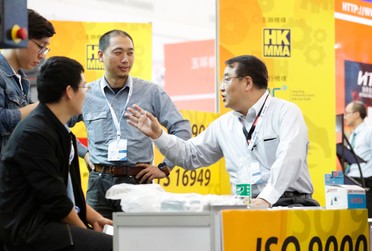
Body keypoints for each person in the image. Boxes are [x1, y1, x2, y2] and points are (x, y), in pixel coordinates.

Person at [126, 55, 319, 208]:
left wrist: (266, 200)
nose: (221, 87)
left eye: (227, 79)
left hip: (289, 204)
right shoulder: (224, 125)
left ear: (248, 83)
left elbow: (290, 159)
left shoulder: (285, 112)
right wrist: (159, 135)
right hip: (245, 206)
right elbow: (190, 155)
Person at [70, 30, 191, 219]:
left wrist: (165, 168)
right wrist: (84, 153)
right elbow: (59, 125)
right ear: (100, 56)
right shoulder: (87, 93)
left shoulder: (150, 92)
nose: (126, 59)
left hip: (138, 182)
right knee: (100, 242)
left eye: (130, 52)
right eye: (118, 52)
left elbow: (182, 128)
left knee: (138, 242)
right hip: (99, 182)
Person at [0, 56, 113, 251]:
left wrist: (95, 217)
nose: (86, 94)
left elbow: (67, 192)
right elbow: (56, 201)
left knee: (112, 241)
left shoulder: (57, 128)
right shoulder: (36, 133)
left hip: (47, 222)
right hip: (29, 232)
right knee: (111, 249)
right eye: (84, 87)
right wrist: (86, 233)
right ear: (69, 92)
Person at [0, 9, 55, 155]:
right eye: (40, 46)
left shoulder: (21, 79)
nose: (42, 55)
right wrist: (44, 105)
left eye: (45, 49)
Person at [344, 100, 372, 217]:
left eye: (347, 113)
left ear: (356, 114)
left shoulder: (369, 131)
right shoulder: (353, 134)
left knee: (366, 218)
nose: (345, 117)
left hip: (366, 182)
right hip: (353, 181)